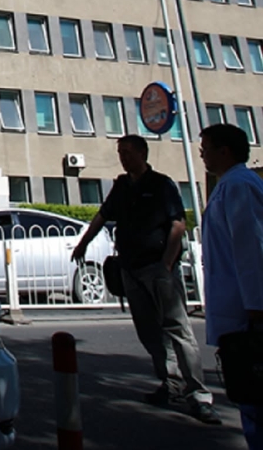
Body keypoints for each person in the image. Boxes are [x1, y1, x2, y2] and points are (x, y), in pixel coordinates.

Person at [71, 134, 218, 424]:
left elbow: (177, 224)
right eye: (120, 152)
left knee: (177, 328)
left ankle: (198, 394)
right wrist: (83, 243)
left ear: (142, 153)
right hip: (131, 268)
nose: (123, 158)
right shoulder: (122, 186)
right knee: (149, 331)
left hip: (157, 268)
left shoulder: (161, 185)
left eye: (127, 152)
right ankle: (170, 382)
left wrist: (166, 264)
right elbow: (103, 215)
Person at [200, 123, 263, 449]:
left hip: (246, 312)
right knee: (249, 394)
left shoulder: (239, 186)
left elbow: (251, 249)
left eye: (206, 148)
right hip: (238, 307)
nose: (202, 155)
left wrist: (256, 306)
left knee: (254, 389)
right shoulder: (230, 184)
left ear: (224, 151)